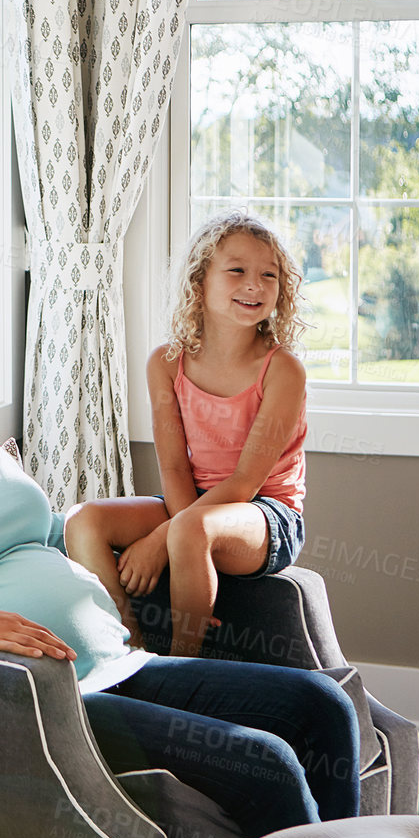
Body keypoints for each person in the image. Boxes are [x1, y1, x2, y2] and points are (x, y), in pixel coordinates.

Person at [0, 258, 356, 838]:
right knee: (266, 764)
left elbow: (32, 532)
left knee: (321, 706)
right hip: (44, 699)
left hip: (116, 659)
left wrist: (152, 537)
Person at [63, 213, 308, 656]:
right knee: (84, 520)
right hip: (192, 501)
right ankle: (128, 652)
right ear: (199, 282)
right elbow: (174, 466)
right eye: (237, 270)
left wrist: (164, 538)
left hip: (267, 515)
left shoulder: (282, 370)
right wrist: (178, 527)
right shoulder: (166, 362)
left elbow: (245, 484)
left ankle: (183, 664)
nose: (254, 285)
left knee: (190, 528)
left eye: (268, 275)